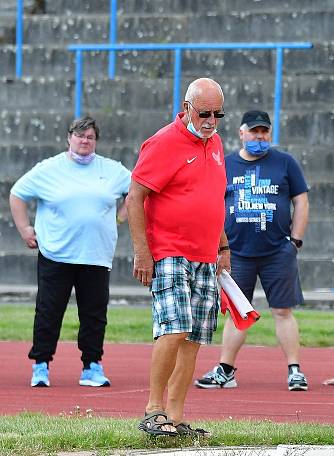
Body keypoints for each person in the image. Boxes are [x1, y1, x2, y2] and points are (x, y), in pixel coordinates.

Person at [127, 78, 229, 437]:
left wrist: (224, 249)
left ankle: (176, 415)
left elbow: (213, 200)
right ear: (186, 108)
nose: (211, 121)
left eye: (218, 114)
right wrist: (142, 250)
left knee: (195, 338)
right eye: (204, 113)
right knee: (175, 328)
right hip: (170, 251)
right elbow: (134, 197)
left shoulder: (215, 143)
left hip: (205, 255)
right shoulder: (163, 142)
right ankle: (153, 410)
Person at [9, 117, 130, 388]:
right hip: (56, 253)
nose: (84, 140)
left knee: (94, 314)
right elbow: (17, 194)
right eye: (80, 136)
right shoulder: (48, 169)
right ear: (69, 138)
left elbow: (136, 193)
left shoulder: (112, 170)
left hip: (96, 255)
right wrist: (25, 228)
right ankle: (40, 365)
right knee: (49, 311)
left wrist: (120, 219)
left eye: (90, 137)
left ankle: (92, 366)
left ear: (96, 141)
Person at [194, 110, 310, 391]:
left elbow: (301, 200)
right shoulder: (226, 164)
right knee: (237, 311)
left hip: (277, 251)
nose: (259, 137)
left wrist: (295, 241)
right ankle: (226, 369)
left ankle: (294, 370)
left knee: (282, 311)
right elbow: (212, 203)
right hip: (237, 253)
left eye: (264, 132)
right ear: (241, 133)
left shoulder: (285, 162)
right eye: (254, 132)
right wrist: (219, 246)